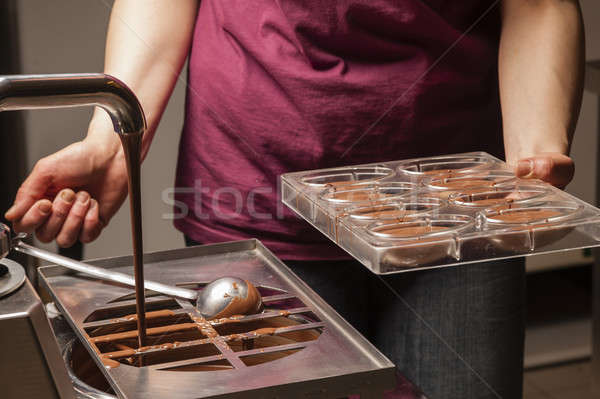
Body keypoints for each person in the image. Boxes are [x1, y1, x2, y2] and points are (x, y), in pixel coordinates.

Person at [5, 1, 584, 398]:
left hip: (453, 213)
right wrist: (112, 140)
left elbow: (536, 4)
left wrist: (530, 159)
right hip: (253, 195)